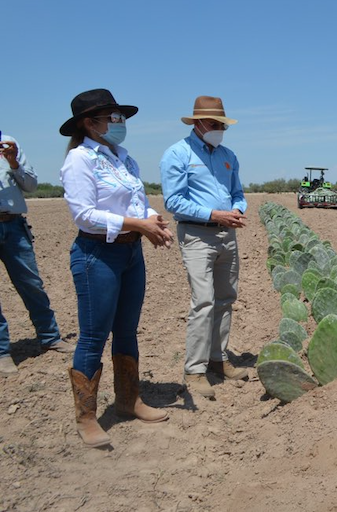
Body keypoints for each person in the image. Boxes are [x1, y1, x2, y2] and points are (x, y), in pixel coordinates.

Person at [60, 88, 172, 447]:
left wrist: (152, 219)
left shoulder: (124, 158)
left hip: (129, 254)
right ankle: (86, 417)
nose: (119, 122)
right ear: (90, 123)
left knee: (127, 331)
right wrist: (139, 225)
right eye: (112, 116)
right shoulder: (80, 160)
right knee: (94, 336)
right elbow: (85, 215)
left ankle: (128, 400)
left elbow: (138, 203)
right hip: (98, 255)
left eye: (119, 116)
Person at [160, 96, 249, 400]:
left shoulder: (228, 156)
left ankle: (218, 359)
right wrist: (213, 214)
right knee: (204, 301)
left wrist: (237, 209)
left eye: (222, 124)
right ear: (197, 123)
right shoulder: (178, 154)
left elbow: (237, 193)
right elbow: (173, 201)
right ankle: (194, 370)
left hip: (227, 234)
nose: (219, 129)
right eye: (214, 124)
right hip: (197, 236)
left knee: (225, 299)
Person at [0, 134, 74, 377]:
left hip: (13, 225)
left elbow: (31, 186)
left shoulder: (10, 143)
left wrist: (14, 164)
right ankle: (2, 352)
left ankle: (49, 337)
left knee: (31, 283)